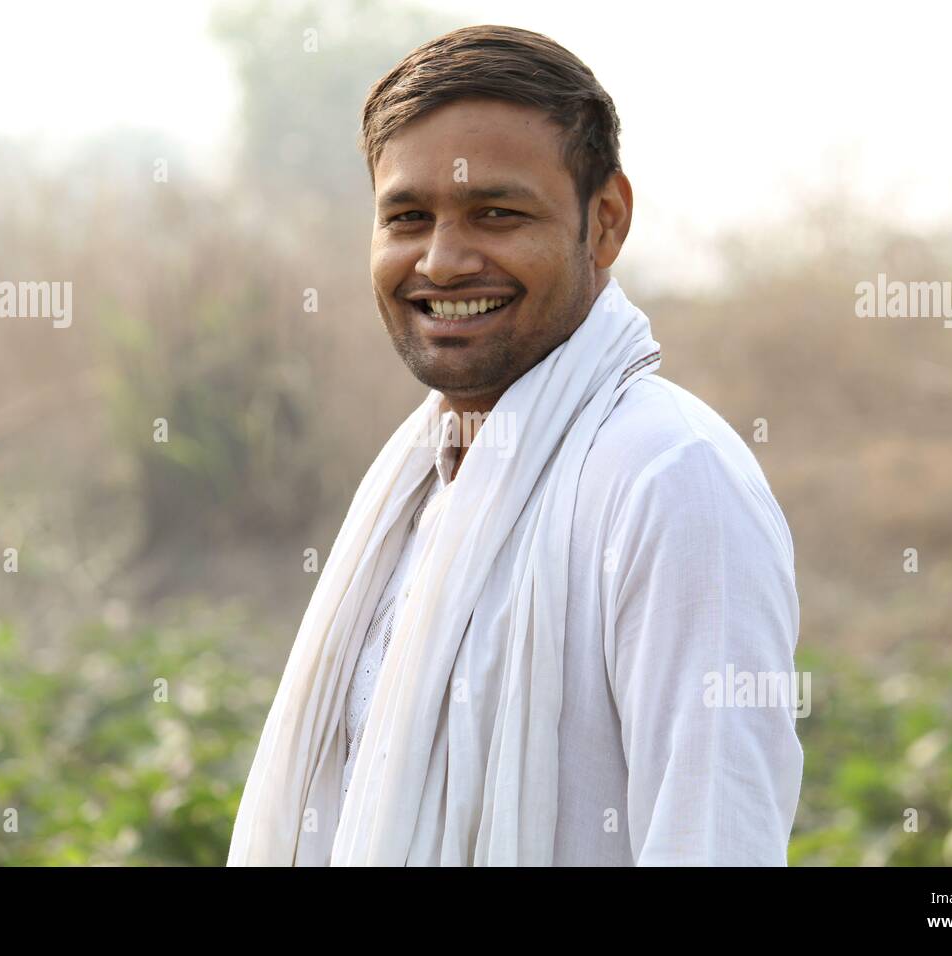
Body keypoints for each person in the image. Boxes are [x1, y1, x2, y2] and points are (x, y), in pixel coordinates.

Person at [228, 24, 803, 866]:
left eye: (496, 213)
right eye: (408, 218)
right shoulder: (412, 488)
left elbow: (713, 839)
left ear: (604, 222)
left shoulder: (671, 480)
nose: (444, 261)